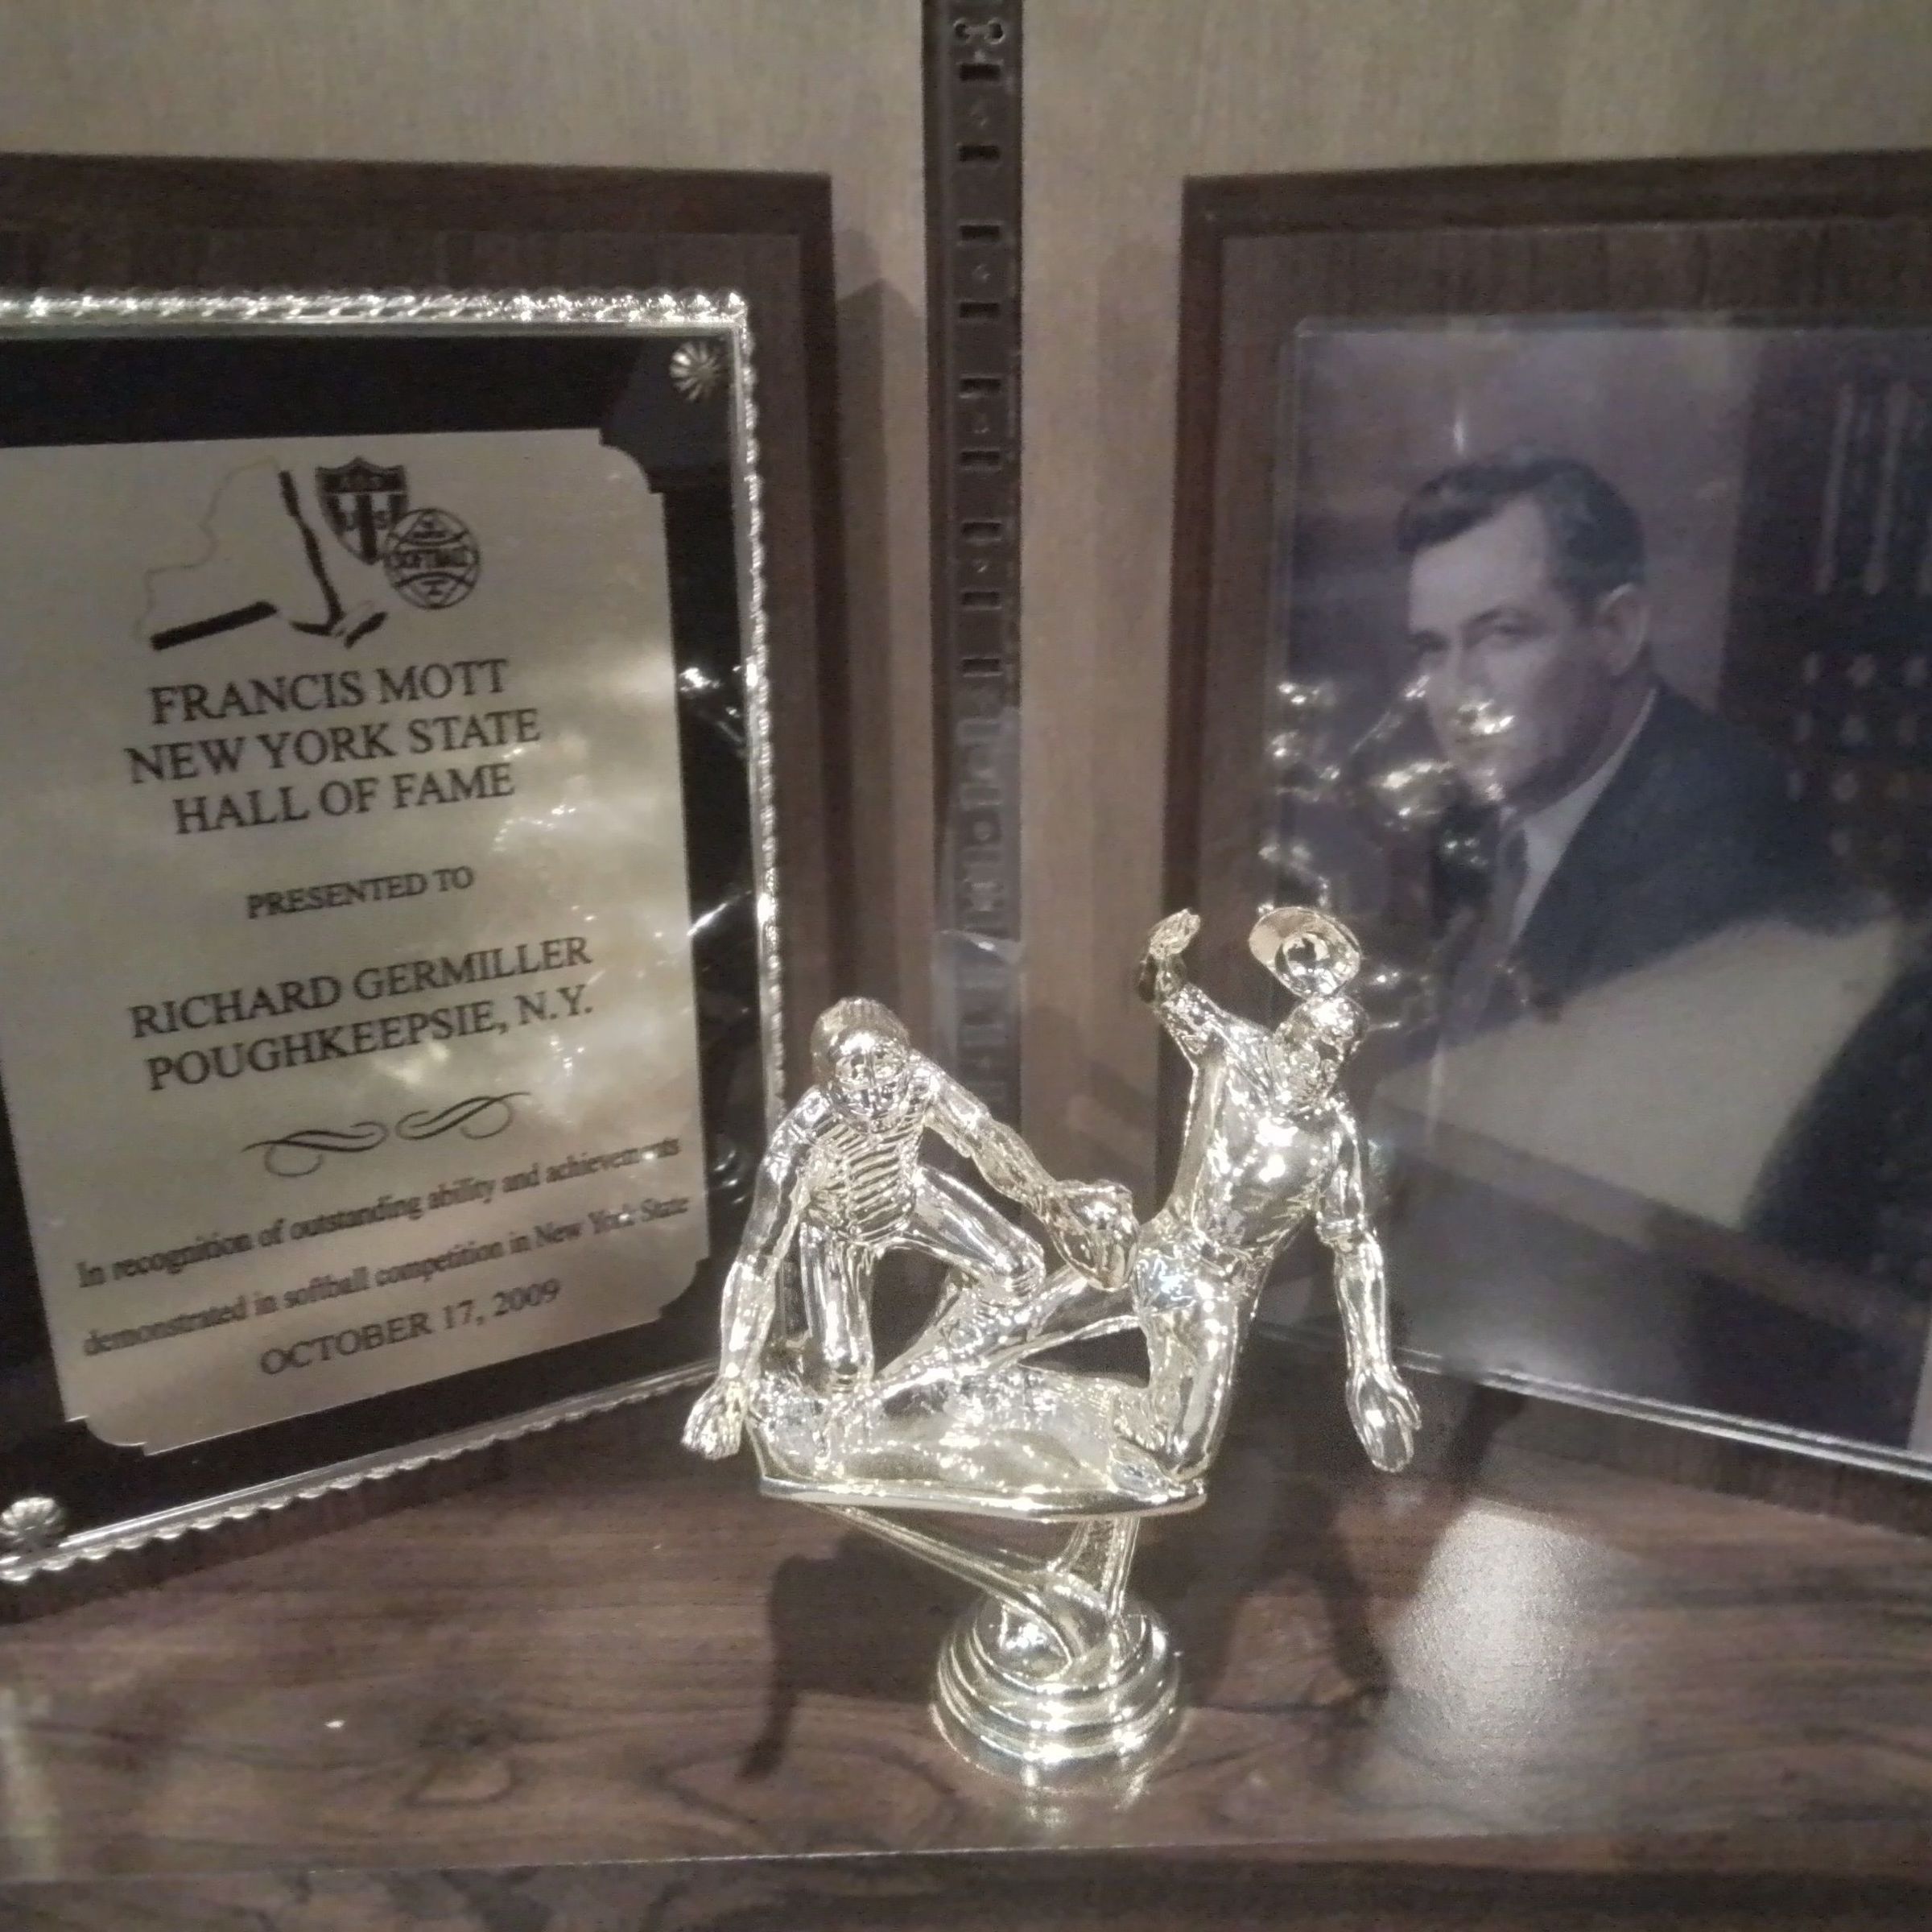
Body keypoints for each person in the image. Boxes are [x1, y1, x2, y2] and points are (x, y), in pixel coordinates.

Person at [1397, 448, 1850, 1021]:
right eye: (1433, 650)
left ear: (1617, 631)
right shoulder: (1471, 814)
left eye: (1502, 635)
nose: (1458, 691)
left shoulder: (1725, 840)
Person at [681, 997, 1133, 1461]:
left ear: (905, 1056)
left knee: (1019, 1269)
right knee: (842, 1372)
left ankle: (948, 1357)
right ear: (827, 1078)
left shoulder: (920, 1080)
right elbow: (757, 1262)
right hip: (839, 1231)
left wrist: (1048, 1200)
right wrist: (733, 1377)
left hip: (908, 1195)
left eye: (885, 1062)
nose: (876, 1088)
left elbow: (984, 1137)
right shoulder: (801, 1143)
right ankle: (797, 1371)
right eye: (856, 1070)